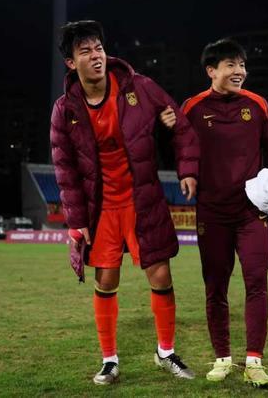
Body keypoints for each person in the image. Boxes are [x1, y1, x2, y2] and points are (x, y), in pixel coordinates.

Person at [50, 20, 199, 385]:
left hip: (142, 199)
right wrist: (76, 220)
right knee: (106, 280)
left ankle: (166, 352)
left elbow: (180, 125)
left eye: (99, 48)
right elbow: (65, 169)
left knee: (161, 275)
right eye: (85, 51)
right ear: (71, 62)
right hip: (101, 207)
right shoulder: (64, 110)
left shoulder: (139, 87)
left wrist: (187, 169)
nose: (95, 56)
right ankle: (109, 360)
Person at [181, 38, 268, 388]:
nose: (239, 71)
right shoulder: (192, 108)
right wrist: (187, 172)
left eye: (242, 64)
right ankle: (222, 358)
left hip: (250, 213)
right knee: (216, 287)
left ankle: (255, 361)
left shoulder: (257, 105)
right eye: (231, 65)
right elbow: (179, 146)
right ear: (211, 71)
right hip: (211, 213)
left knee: (257, 283)